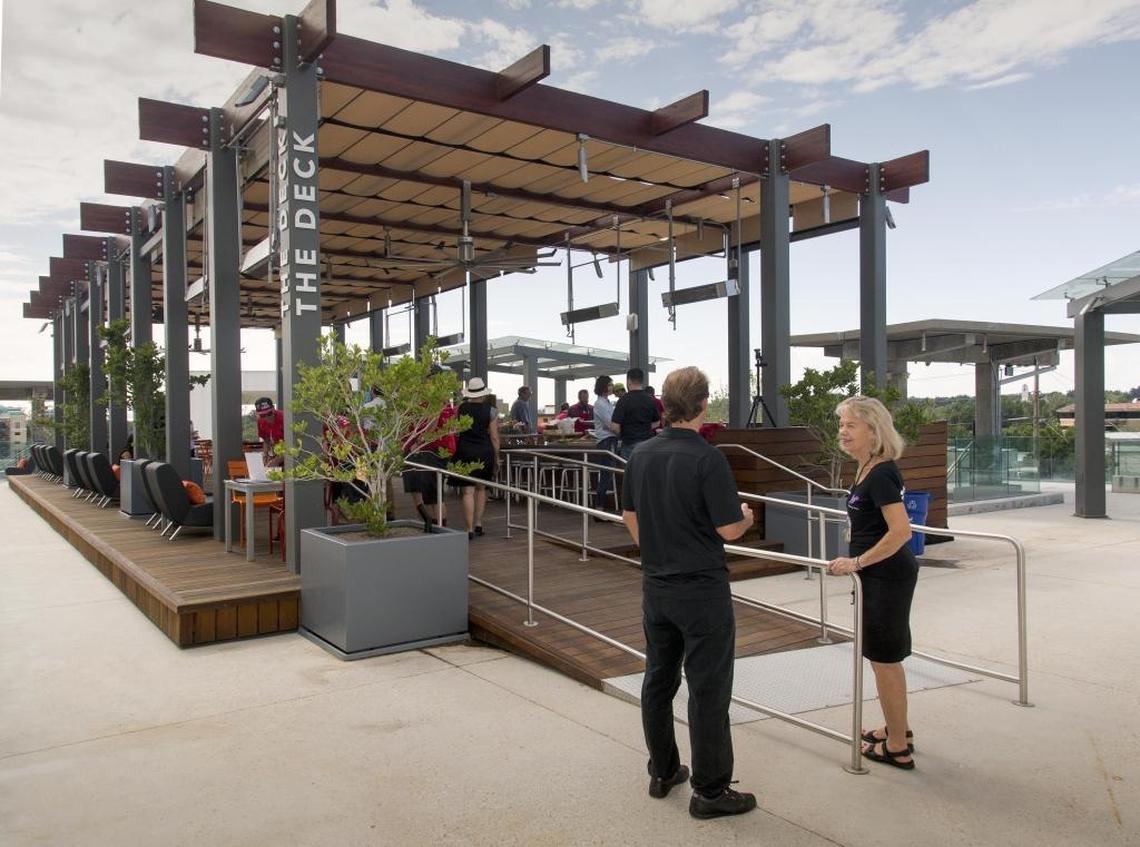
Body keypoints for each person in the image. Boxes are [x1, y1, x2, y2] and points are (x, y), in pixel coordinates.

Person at [621, 366, 757, 819]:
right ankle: (711, 791)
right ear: (702, 405)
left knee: (659, 679)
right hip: (701, 590)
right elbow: (729, 530)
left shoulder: (640, 454)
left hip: (656, 586)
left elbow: (630, 516)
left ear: (664, 404)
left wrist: (658, 547)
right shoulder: (707, 459)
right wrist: (746, 517)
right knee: (708, 689)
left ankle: (663, 770)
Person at [826, 396, 919, 771]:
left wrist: (857, 562)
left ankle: (897, 747)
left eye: (850, 425)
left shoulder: (881, 473)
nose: (842, 433)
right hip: (875, 575)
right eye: (841, 425)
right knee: (881, 658)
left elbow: (901, 532)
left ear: (873, 430)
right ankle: (898, 729)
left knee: (885, 660)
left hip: (886, 575)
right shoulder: (866, 468)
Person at [454, 377, 500, 539]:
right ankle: (478, 523)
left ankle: (468, 529)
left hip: (465, 450)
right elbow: (494, 437)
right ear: (483, 393)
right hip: (484, 451)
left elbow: (455, 431)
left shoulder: (460, 408)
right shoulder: (491, 410)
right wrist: (497, 457)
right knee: (482, 488)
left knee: (467, 491)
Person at [403, 396, 457, 529]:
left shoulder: (436, 403)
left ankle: (438, 527)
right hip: (423, 450)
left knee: (432, 494)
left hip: (430, 450)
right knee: (421, 490)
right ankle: (429, 524)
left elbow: (433, 423)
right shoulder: (439, 405)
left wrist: (419, 442)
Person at [610, 367, 660, 460]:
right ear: (642, 381)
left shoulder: (623, 400)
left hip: (629, 444)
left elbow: (614, 427)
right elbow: (657, 422)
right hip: (648, 444)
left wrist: (624, 433)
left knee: (629, 473)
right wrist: (644, 428)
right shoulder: (650, 399)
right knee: (645, 473)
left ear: (628, 381)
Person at [591, 375, 618, 513]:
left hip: (610, 440)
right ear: (604, 387)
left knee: (608, 474)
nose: (612, 387)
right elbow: (610, 424)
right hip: (606, 440)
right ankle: (599, 508)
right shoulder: (600, 404)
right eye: (610, 385)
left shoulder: (607, 402)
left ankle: (600, 507)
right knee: (606, 474)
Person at [254, 397, 285, 467]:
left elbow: (292, 444)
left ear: (273, 408)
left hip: (290, 456)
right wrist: (265, 455)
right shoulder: (260, 421)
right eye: (262, 415)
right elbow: (266, 440)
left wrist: (277, 460)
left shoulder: (284, 418)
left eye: (269, 413)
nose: (266, 418)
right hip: (276, 455)